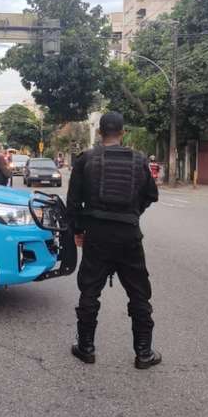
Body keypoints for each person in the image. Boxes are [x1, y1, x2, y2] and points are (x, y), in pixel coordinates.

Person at [66, 112, 161, 369]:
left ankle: (86, 348)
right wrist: (133, 214)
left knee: (89, 291)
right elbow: (152, 194)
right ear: (123, 132)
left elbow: (73, 203)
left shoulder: (85, 159)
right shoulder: (139, 160)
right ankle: (144, 353)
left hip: (96, 234)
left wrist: (78, 230)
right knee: (139, 294)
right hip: (129, 235)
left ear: (100, 132)